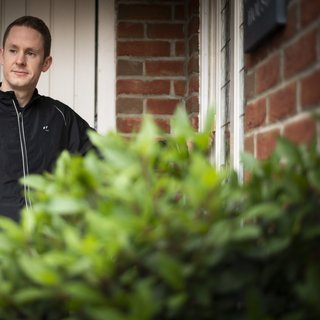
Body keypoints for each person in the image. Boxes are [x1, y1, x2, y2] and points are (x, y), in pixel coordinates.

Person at [0, 16, 94, 221]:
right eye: (13, 50)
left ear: (46, 63)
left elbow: (102, 159)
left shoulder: (60, 117)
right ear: (1, 55)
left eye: (31, 53)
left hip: (46, 246)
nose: (20, 60)